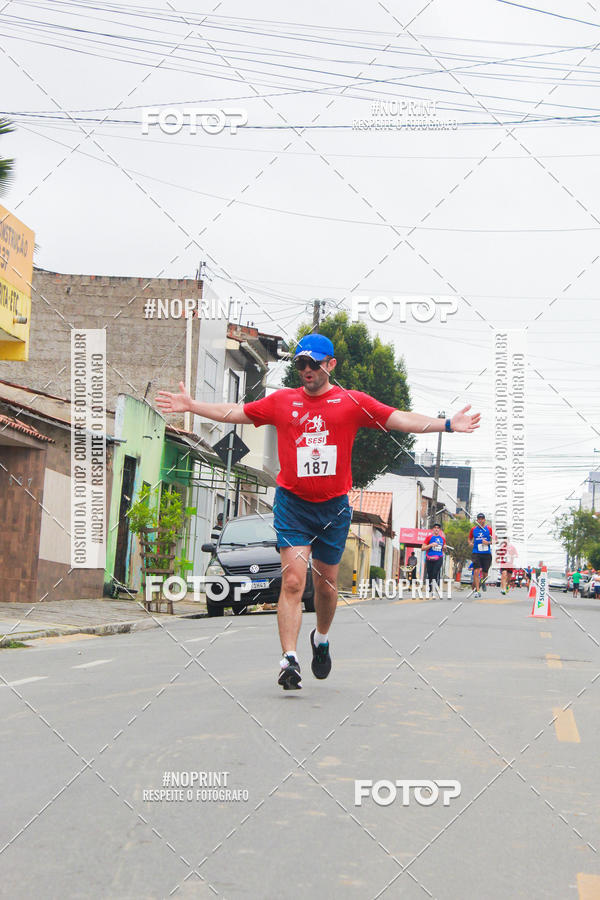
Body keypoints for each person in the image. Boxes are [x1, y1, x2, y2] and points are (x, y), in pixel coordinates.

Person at [156, 333, 480, 690]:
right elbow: (236, 413)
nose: (306, 370)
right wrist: (191, 405)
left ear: (330, 365)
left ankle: (321, 639)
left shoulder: (351, 403)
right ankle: (289, 659)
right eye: (300, 364)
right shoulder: (282, 402)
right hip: (293, 506)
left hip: (333, 509)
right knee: (293, 581)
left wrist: (447, 425)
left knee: (325, 586)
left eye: (313, 363)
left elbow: (398, 418)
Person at [468, 513, 493, 598]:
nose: (480, 520)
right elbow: (469, 538)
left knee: (485, 572)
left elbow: (496, 540)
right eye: (479, 519)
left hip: (486, 553)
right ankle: (477, 591)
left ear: (484, 520)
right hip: (476, 553)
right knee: (476, 571)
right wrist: (470, 543)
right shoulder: (473, 529)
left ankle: (483, 581)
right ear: (477, 520)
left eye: (482, 519)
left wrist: (488, 542)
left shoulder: (489, 529)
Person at [421, 524, 446, 589]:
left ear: (439, 530)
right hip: (430, 557)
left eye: (438, 528)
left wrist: (445, 548)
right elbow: (422, 548)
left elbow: (443, 550)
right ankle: (430, 586)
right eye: (435, 528)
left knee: (435, 572)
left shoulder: (442, 539)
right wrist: (431, 545)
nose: (436, 529)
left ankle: (435, 586)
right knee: (430, 573)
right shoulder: (429, 537)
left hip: (439, 557)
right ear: (433, 529)